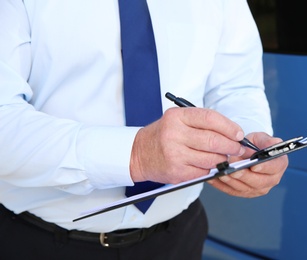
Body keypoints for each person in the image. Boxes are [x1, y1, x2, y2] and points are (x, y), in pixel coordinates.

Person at [0, 0, 288, 259]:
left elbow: (235, 87)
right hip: (36, 241)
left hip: (178, 238)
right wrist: (137, 155)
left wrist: (248, 143)